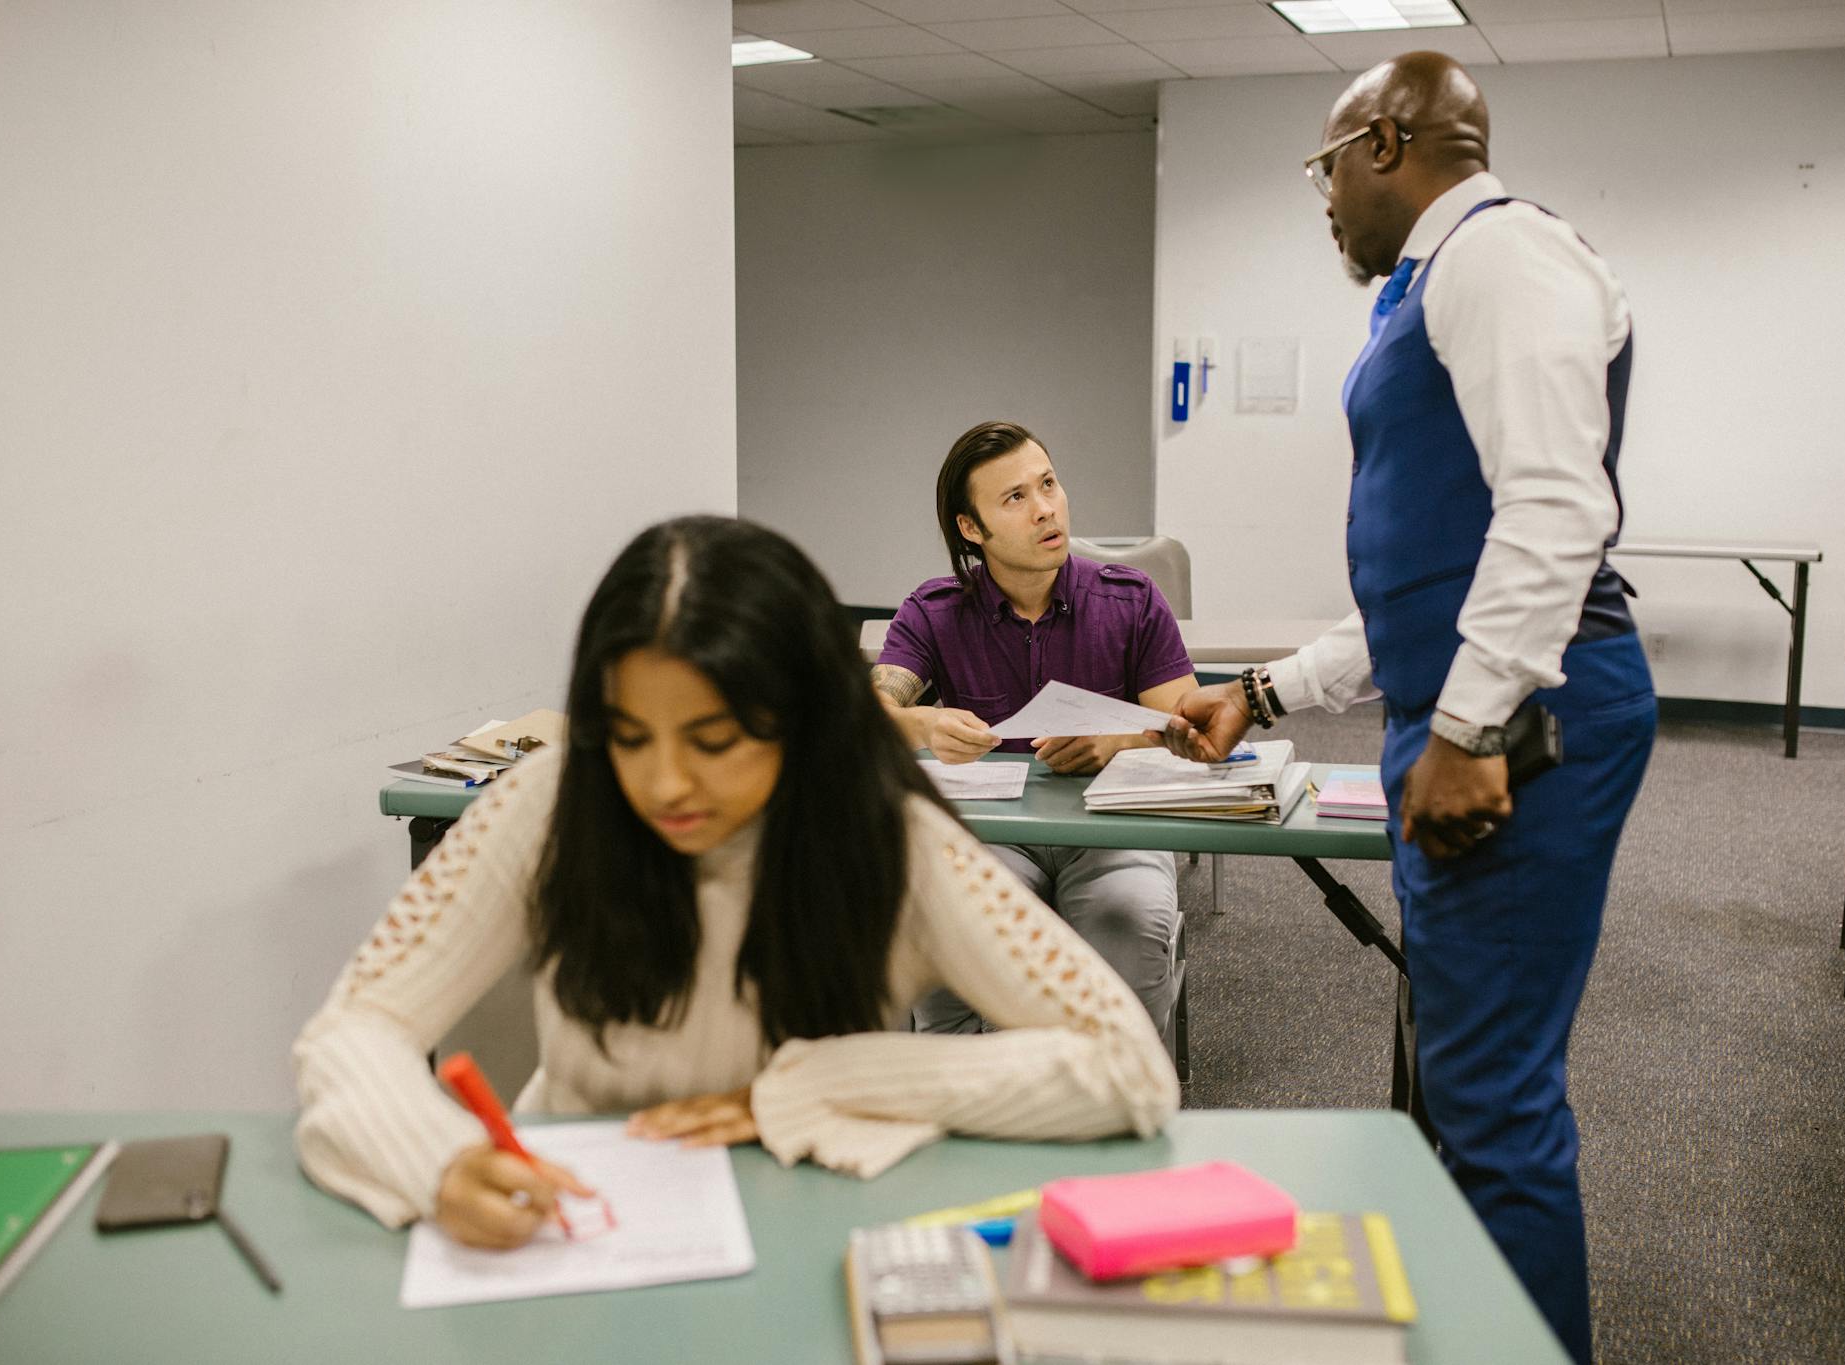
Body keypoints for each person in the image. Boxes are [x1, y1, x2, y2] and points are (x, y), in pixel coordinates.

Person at [1155, 54, 1654, 1364]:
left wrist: (1471, 730)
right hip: (1478, 709)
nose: (1322, 201)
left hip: (1527, 722)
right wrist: (1262, 691)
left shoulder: (1498, 255)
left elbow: (1557, 511)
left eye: (1322, 170)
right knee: (1458, 1085)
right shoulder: (1437, 283)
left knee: (1490, 1104)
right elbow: (1430, 583)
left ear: (1382, 143)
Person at [295, 516, 1177, 1248]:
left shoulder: (889, 838)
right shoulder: (551, 802)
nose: (665, 783)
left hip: (814, 1219)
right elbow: (354, 1027)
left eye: (713, 741)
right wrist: (438, 1160)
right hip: (580, 1223)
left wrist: (819, 1081)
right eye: (629, 737)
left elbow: (1127, 1064)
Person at [870, 421, 1196, 1039]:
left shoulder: (1130, 601)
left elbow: (1189, 728)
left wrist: (1118, 741)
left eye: (1048, 484)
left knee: (1126, 931)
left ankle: (1121, 1092)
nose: (1045, 508)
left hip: (1112, 827)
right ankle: (973, 1094)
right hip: (993, 835)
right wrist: (922, 723)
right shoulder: (934, 613)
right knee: (948, 932)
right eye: (1015, 497)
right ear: (971, 528)